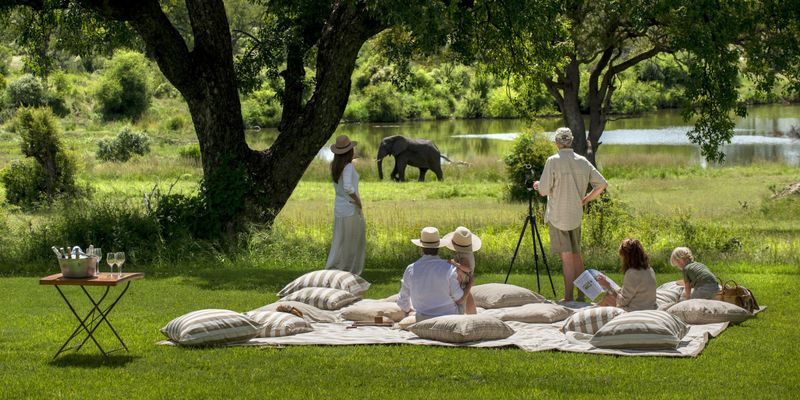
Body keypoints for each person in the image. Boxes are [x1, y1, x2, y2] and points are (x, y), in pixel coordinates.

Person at [533, 127, 608, 301]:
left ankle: (568, 299)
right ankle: (582, 295)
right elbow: (602, 184)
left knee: (567, 258)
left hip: (558, 216)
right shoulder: (582, 161)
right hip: (575, 215)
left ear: (557, 142)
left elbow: (543, 191)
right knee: (576, 256)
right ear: (571, 141)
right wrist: (585, 199)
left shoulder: (552, 161)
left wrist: (537, 185)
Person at [397, 227, 470, 321]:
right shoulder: (449, 268)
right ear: (438, 247)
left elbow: (402, 301)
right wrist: (469, 284)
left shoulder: (411, 269)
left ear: (421, 247)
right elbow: (459, 297)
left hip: (422, 318)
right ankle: (473, 317)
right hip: (449, 318)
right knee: (466, 291)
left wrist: (410, 310)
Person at [325, 135, 366, 275]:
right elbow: (348, 187)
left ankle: (336, 266)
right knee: (352, 240)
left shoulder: (335, 165)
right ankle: (349, 269)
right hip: (350, 206)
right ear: (349, 151)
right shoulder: (347, 167)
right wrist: (358, 201)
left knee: (340, 238)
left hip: (340, 206)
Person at [597, 239, 657, 311]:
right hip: (650, 307)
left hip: (635, 310)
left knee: (608, 297)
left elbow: (622, 302)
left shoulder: (632, 273)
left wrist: (608, 286)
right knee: (611, 294)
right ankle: (595, 307)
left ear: (627, 257)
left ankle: (593, 311)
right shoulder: (649, 269)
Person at [442, 226, 482, 315]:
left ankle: (466, 312)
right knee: (467, 293)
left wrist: (455, 264)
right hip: (465, 275)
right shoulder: (465, 253)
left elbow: (467, 268)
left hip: (464, 276)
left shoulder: (465, 255)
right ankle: (472, 313)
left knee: (462, 294)